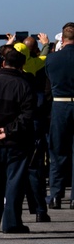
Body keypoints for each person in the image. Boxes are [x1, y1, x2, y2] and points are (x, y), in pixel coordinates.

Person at [0, 48, 36, 234]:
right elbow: (27, 115)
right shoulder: (24, 85)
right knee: (14, 183)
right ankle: (11, 222)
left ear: (3, 63)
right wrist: (8, 131)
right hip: (16, 141)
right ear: (22, 65)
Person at [46, 22, 74, 209]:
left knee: (57, 152)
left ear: (62, 39)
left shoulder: (51, 59)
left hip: (60, 104)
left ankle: (56, 194)